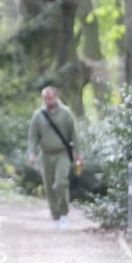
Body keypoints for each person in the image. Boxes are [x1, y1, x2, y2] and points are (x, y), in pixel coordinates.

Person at [27, 86, 82, 229]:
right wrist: (32, 153)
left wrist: (78, 154)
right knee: (49, 187)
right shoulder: (38, 115)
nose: (48, 100)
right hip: (45, 154)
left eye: (50, 97)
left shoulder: (66, 113)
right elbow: (33, 137)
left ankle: (63, 214)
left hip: (62, 153)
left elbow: (74, 135)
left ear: (56, 97)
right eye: (45, 98)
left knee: (60, 183)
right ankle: (56, 217)